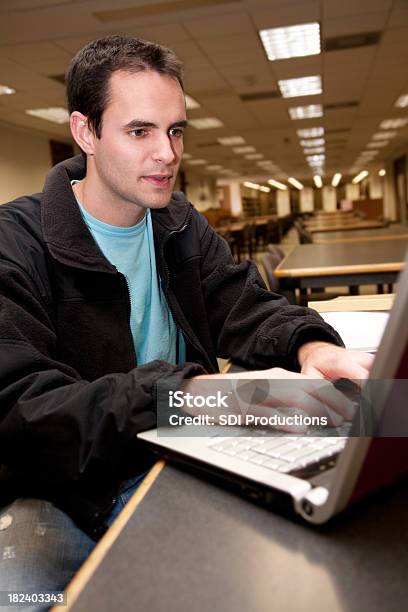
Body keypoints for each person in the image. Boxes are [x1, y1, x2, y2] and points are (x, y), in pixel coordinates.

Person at [0, 35, 373, 608]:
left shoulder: (176, 222)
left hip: (182, 451)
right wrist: (182, 395)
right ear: (85, 132)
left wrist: (312, 347)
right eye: (140, 131)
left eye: (175, 131)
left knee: (359, 469)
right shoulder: (15, 243)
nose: (168, 153)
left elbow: (241, 301)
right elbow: (24, 410)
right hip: (71, 487)